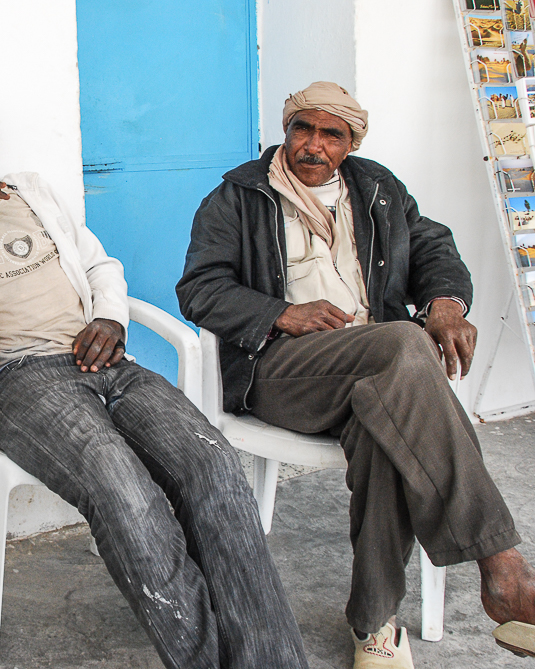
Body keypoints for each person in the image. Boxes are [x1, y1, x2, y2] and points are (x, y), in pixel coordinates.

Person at [0, 86, 309, 669]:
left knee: (212, 463)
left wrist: (110, 317)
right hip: (26, 380)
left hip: (108, 362)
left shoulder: (31, 193)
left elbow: (99, 263)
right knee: (125, 492)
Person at [177, 81, 535, 667]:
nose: (312, 145)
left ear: (350, 143)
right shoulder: (238, 196)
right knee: (403, 343)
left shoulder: (377, 189)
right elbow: (199, 289)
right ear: (287, 130)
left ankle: (375, 623)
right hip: (282, 372)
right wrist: (281, 313)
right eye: (302, 129)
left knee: (385, 427)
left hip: (378, 368)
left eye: (330, 134)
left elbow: (432, 246)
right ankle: (504, 567)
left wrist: (445, 300)